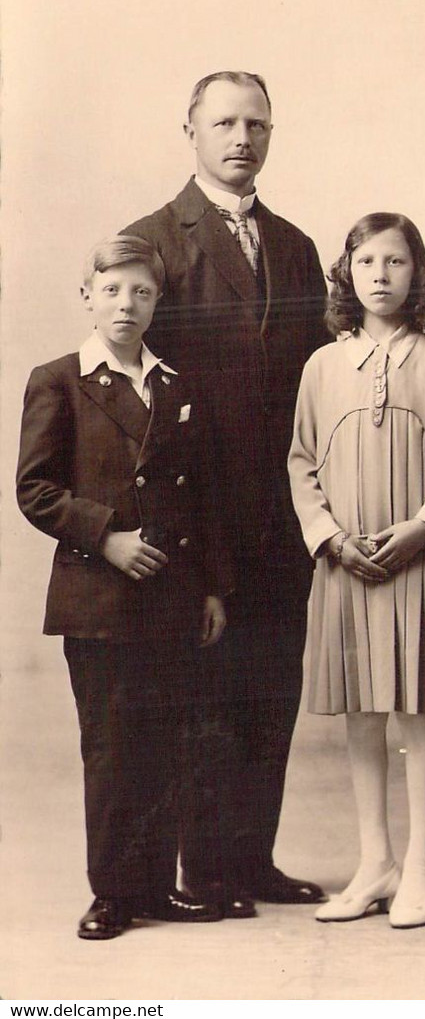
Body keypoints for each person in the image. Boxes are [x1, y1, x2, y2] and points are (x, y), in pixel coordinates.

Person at [122, 71, 327, 915]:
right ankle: (201, 868)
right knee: (205, 691)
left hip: (285, 510)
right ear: (191, 132)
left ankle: (251, 859)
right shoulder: (153, 239)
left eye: (257, 123)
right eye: (224, 123)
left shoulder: (296, 244)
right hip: (198, 512)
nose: (241, 137)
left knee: (273, 685)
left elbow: (316, 378)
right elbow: (128, 386)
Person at [16, 235, 232, 940]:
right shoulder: (60, 379)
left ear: (157, 302)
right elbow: (35, 488)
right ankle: (111, 891)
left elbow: (200, 499)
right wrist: (105, 535)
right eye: (112, 289)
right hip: (100, 599)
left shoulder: (175, 384)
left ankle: (156, 887)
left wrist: (210, 590)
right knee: (111, 746)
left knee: (166, 740)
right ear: (87, 295)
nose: (126, 304)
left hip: (170, 594)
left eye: (141, 292)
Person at [288, 212, 425, 928]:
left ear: (417, 274)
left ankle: (421, 866)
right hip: (346, 562)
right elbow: (302, 462)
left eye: (395, 262)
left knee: (415, 709)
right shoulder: (322, 365)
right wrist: (330, 537)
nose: (380, 274)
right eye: (366, 261)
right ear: (348, 273)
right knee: (362, 712)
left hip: (416, 560)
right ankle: (376, 862)